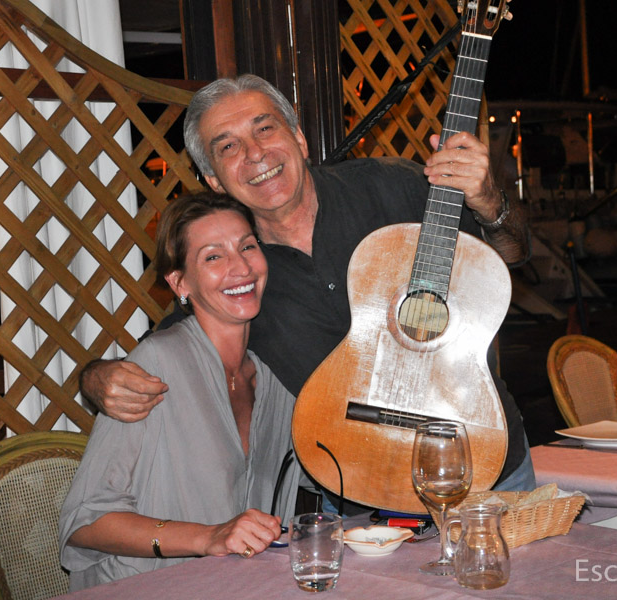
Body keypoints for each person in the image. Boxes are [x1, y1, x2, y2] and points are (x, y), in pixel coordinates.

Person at [80, 74, 536, 508]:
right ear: (214, 179)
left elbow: (511, 255)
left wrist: (489, 202)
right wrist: (97, 378)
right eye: (228, 146)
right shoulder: (237, 275)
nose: (255, 153)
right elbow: (162, 350)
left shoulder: (392, 186)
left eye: (265, 128)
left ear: (298, 139)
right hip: (359, 499)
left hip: (482, 461)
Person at [59, 191, 301, 590]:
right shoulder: (157, 364)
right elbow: (85, 521)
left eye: (247, 247)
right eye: (213, 257)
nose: (241, 267)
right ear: (179, 282)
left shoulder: (276, 379)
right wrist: (208, 537)